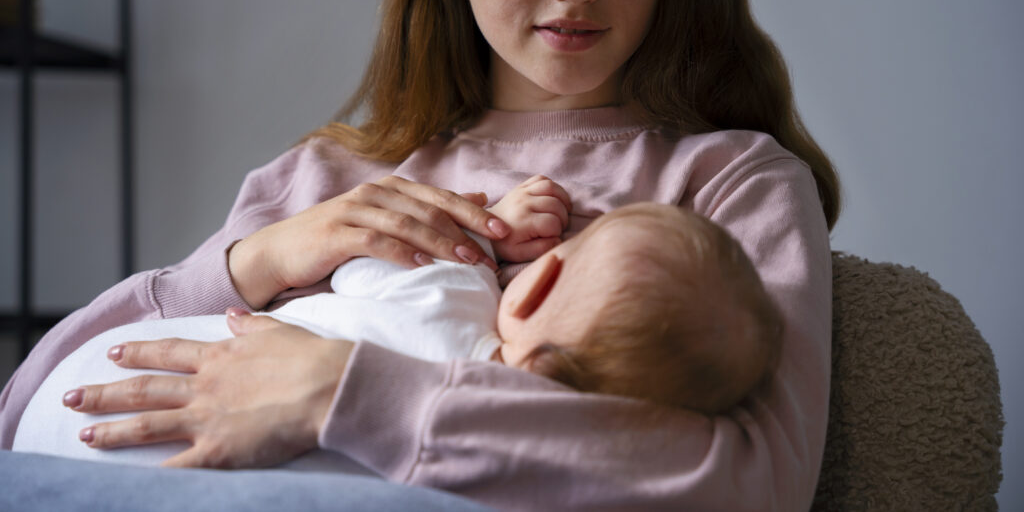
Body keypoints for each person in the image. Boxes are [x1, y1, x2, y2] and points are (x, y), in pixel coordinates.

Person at [0, 0, 839, 509]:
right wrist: (252, 263)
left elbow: (754, 483)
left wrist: (345, 393)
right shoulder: (330, 177)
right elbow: (23, 407)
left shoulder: (733, 183)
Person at [15, 182, 783, 468]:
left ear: (538, 276)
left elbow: (375, 268)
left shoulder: (456, 290)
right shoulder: (494, 451)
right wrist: (259, 256)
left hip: (74, 412)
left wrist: (488, 236)